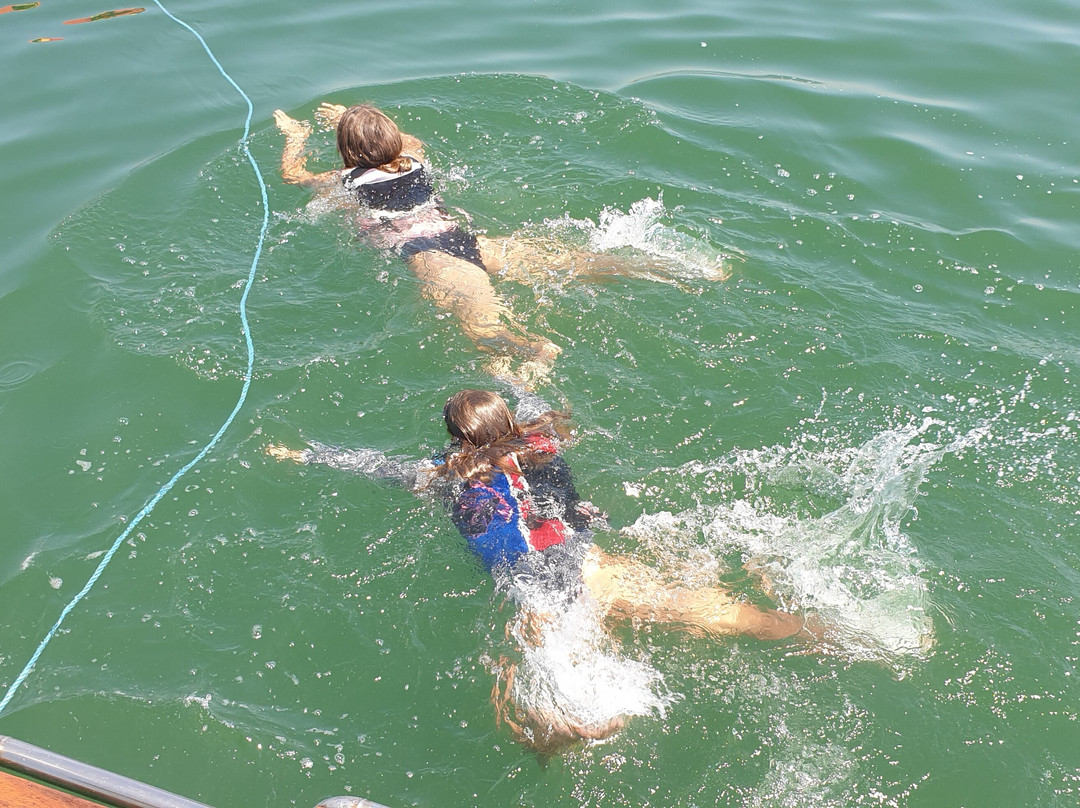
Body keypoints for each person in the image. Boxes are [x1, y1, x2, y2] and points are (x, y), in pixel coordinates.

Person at [267, 390, 813, 753]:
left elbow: (378, 467)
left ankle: (568, 733)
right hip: (591, 563)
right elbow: (537, 400)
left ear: (459, 439)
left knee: (541, 719)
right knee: (722, 615)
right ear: (510, 424)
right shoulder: (541, 445)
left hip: (539, 594)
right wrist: (525, 371)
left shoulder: (445, 475)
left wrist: (307, 455)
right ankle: (816, 632)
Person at [272, 103, 711, 387]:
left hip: (430, 258)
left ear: (348, 154)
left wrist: (295, 134)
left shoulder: (344, 181)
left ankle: (535, 349)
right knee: (576, 263)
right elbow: (400, 142)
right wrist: (353, 116)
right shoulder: (415, 159)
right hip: (467, 241)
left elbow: (292, 175)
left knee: (481, 332)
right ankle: (672, 267)